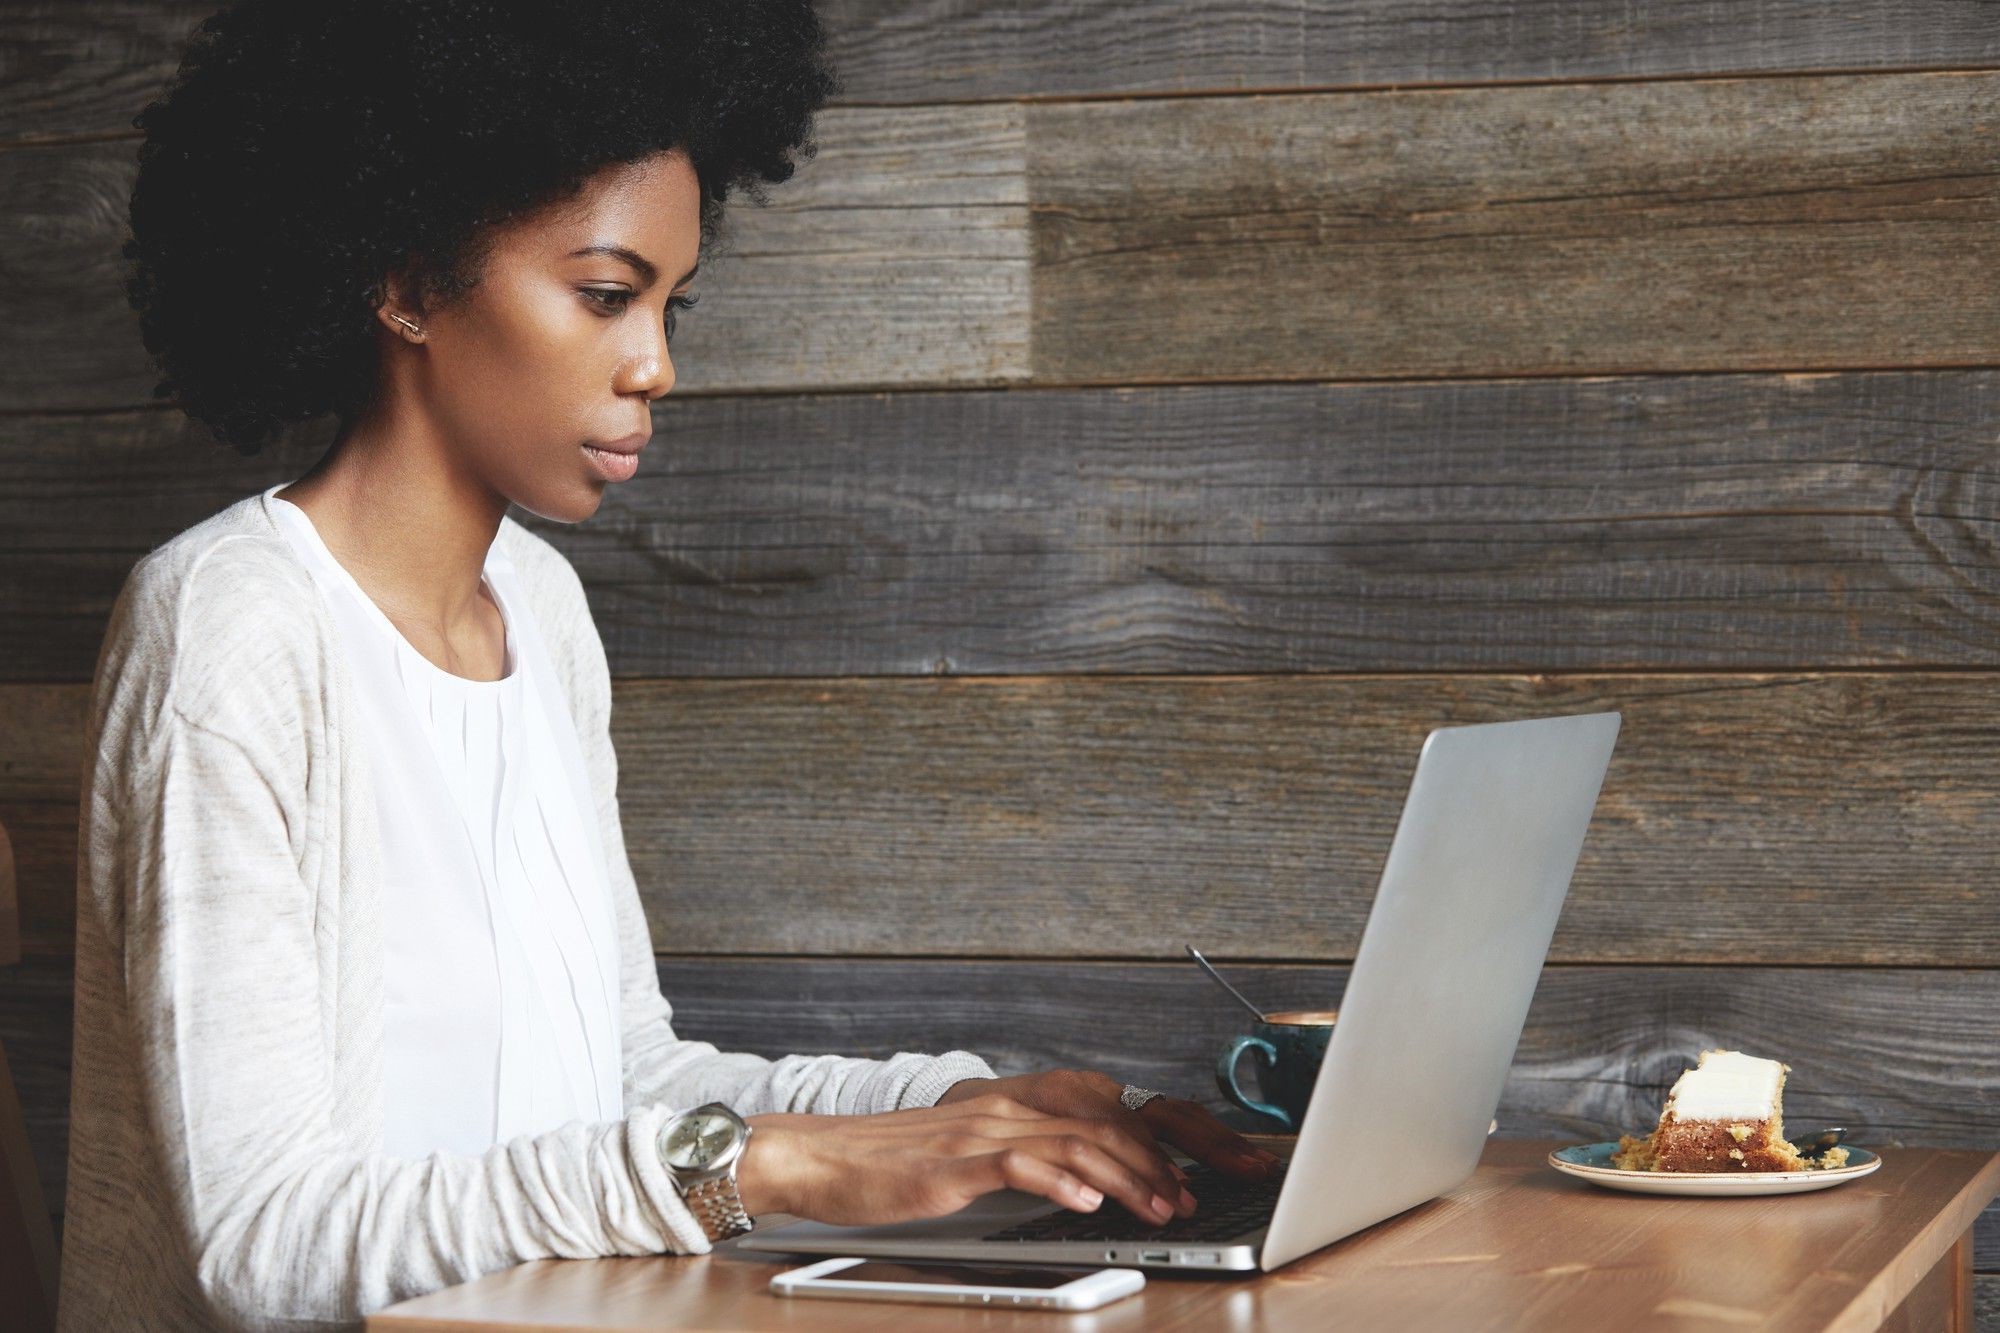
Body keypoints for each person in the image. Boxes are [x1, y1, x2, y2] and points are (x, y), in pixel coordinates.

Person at [63, 3, 1278, 1328]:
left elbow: (622, 1079)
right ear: (405, 282)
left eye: (669, 302)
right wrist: (771, 1165)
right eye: (604, 294)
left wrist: (963, 1107)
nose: (657, 363)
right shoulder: (230, 628)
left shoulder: (542, 611)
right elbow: (267, 1244)